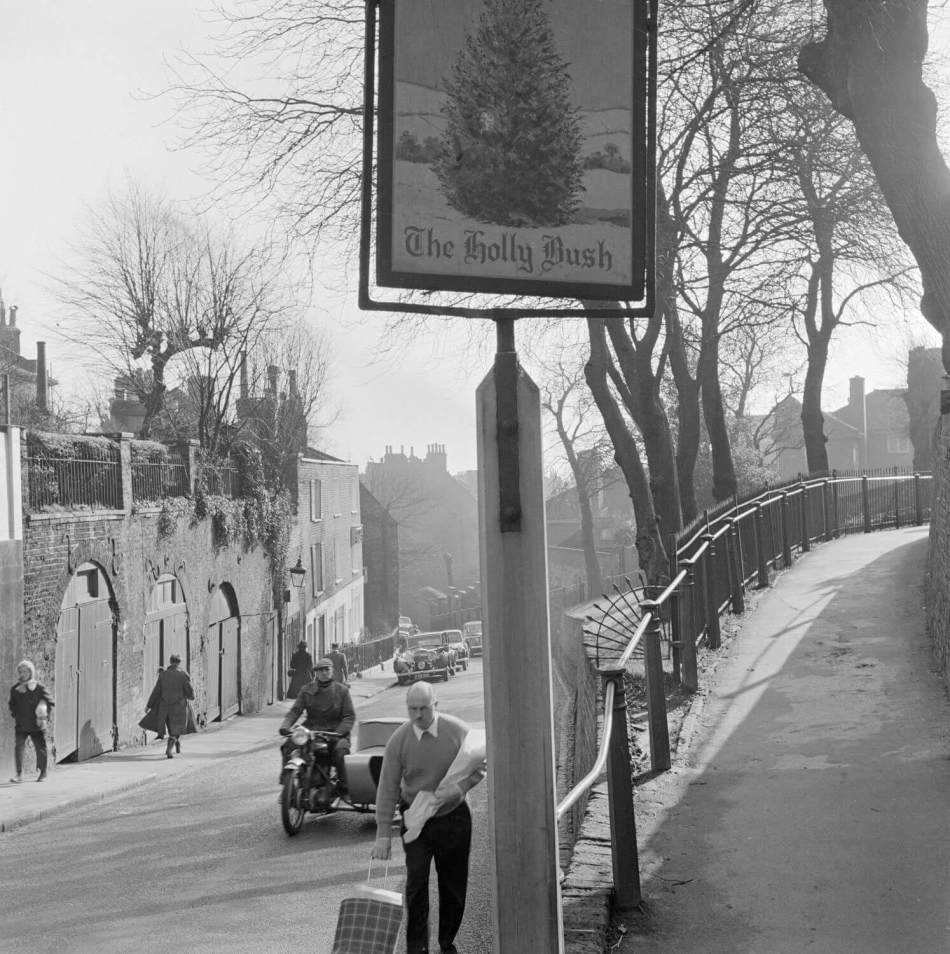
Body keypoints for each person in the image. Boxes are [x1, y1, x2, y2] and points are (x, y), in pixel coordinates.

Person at [372, 682, 486, 954]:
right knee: (416, 885)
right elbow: (387, 787)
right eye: (412, 709)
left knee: (453, 886)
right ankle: (417, 948)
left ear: (436, 705)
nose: (418, 715)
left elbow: (481, 763)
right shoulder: (399, 740)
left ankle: (447, 944)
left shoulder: (457, 730)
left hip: (453, 817)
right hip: (416, 820)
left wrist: (459, 789)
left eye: (424, 708)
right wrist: (382, 834)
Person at [279, 658, 354, 794]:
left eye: (327, 669)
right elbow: (295, 710)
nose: (324, 673)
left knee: (340, 752)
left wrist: (339, 732)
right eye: (321, 670)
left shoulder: (342, 691)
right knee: (288, 746)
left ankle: (344, 785)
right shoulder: (306, 690)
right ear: (316, 673)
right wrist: (286, 726)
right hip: (312, 729)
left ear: (332, 671)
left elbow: (349, 716)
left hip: (335, 731)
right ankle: (288, 786)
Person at [8, 660, 54, 783]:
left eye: (25, 671)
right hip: (21, 725)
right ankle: (19, 774)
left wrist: (44, 716)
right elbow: (12, 705)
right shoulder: (15, 689)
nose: (22, 674)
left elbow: (50, 702)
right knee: (19, 748)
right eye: (20, 672)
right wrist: (16, 715)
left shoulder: (38, 687)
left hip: (37, 725)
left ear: (31, 672)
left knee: (40, 748)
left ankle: (43, 772)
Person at [146, 654, 196, 759]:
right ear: (179, 663)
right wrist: (191, 696)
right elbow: (189, 691)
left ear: (170, 661)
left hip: (165, 707)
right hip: (179, 707)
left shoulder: (163, 675)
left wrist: (149, 705)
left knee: (171, 728)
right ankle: (169, 749)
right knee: (177, 728)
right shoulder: (182, 675)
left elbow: (156, 691)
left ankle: (176, 743)